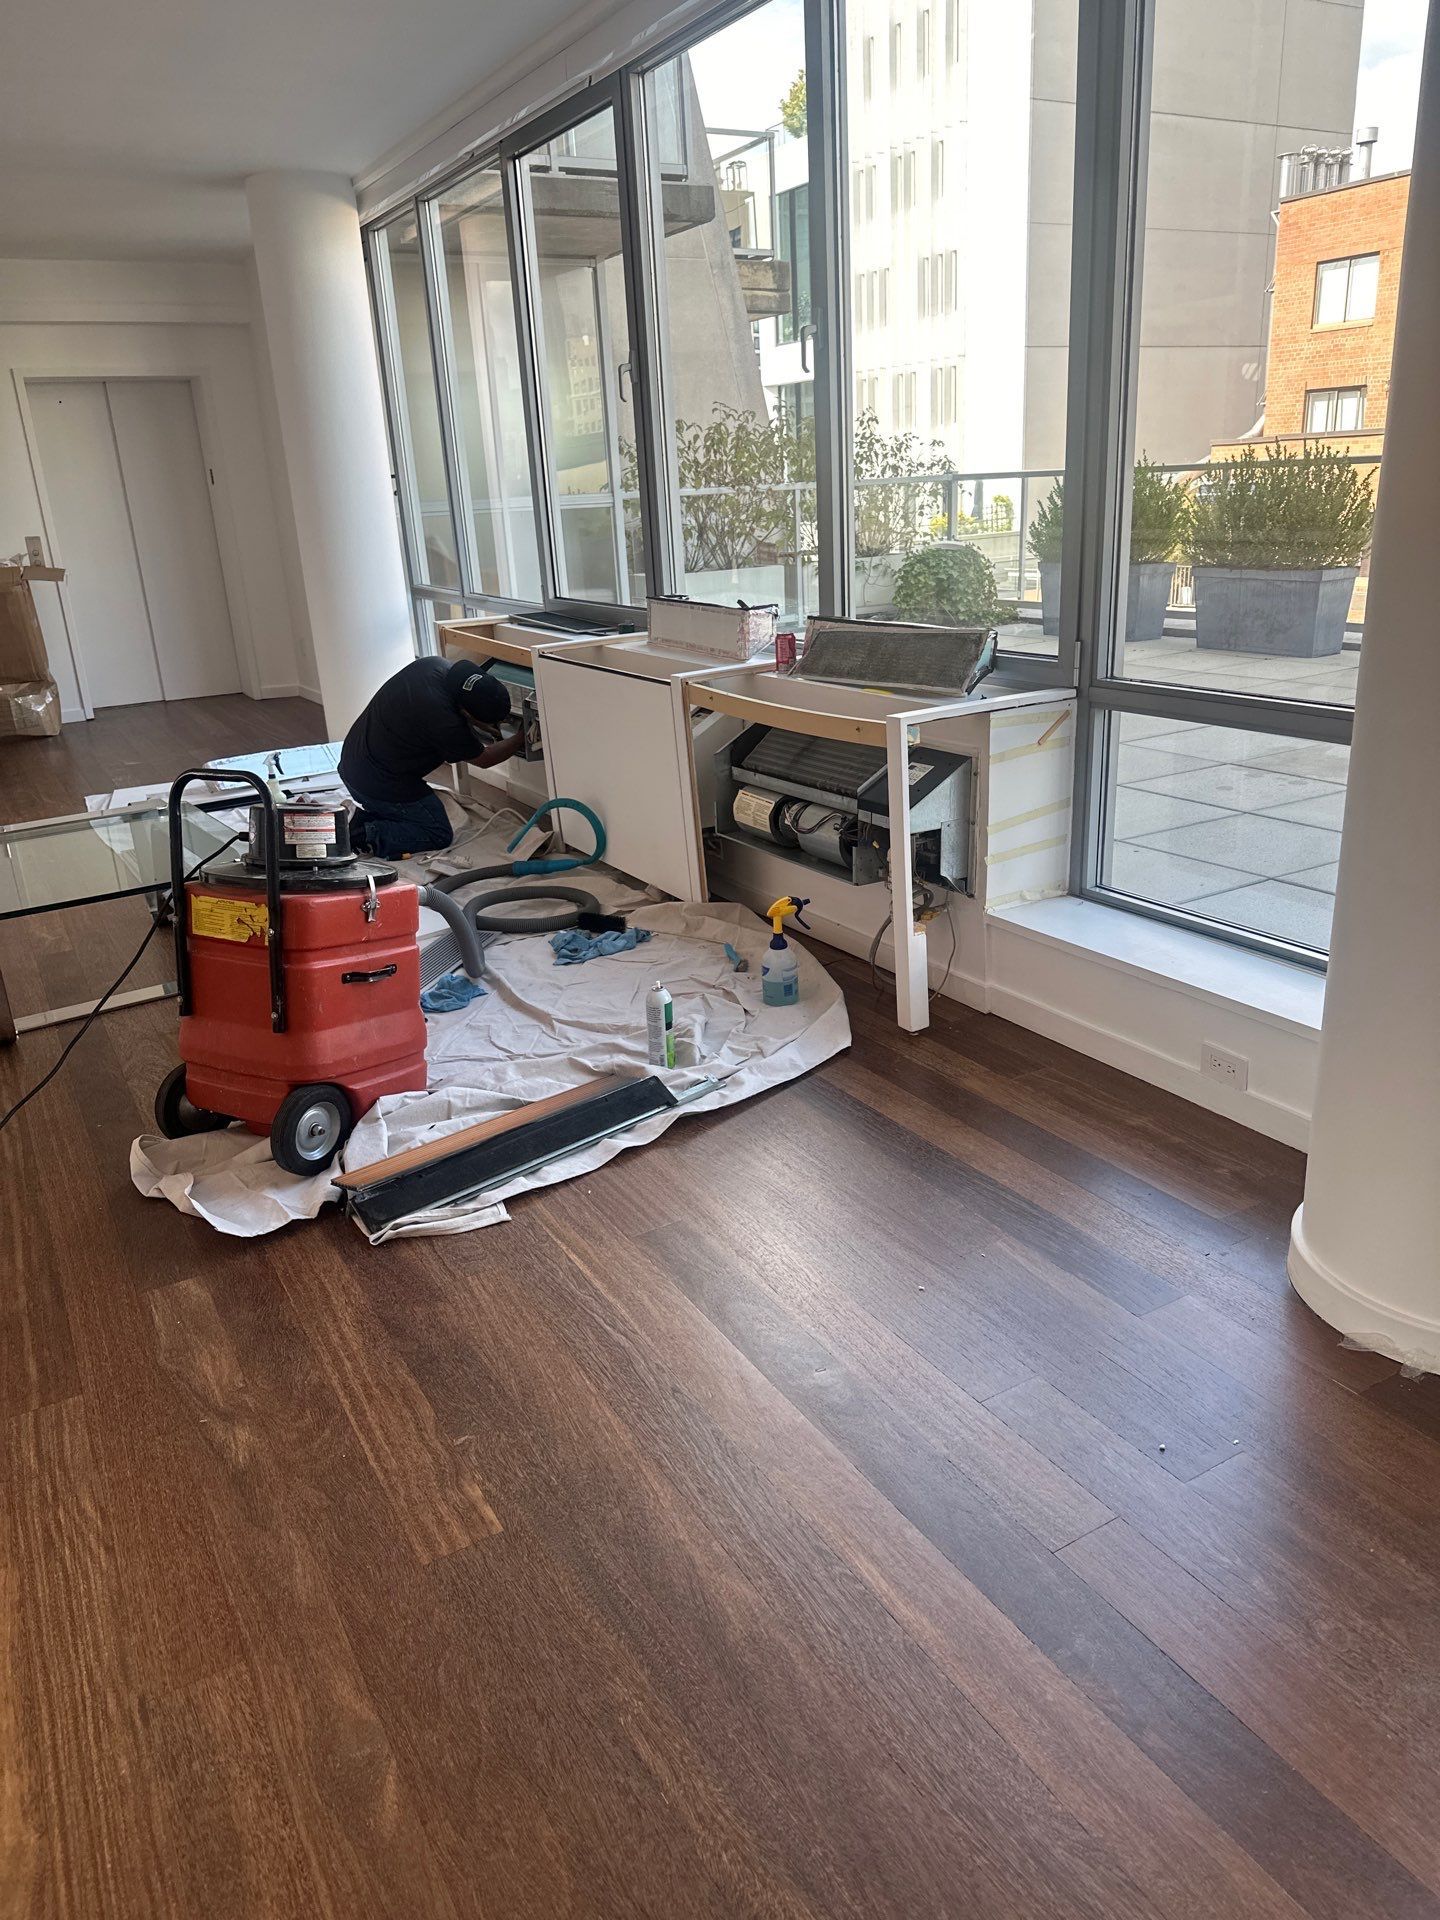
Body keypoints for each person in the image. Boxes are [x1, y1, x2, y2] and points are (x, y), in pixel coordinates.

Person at [339, 656, 522, 859]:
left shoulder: (435, 665)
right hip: (376, 782)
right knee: (437, 833)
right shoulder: (444, 720)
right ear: (466, 712)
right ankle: (363, 833)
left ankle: (367, 817)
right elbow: (484, 759)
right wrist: (521, 739)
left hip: (354, 761)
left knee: (412, 814)